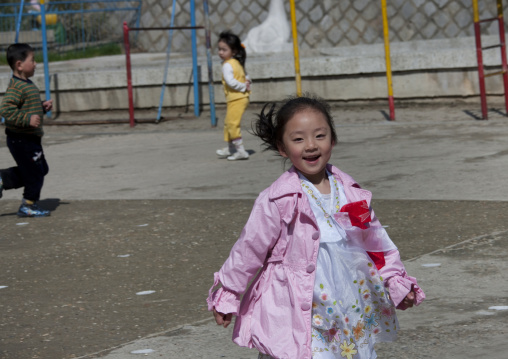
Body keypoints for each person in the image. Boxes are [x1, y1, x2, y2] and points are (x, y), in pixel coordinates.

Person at [207, 95, 425, 358]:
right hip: (296, 305)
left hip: (345, 302)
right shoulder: (278, 198)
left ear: (332, 139)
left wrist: (395, 279)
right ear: (282, 148)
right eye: (298, 139)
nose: (310, 146)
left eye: (319, 136)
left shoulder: (350, 192)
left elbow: (375, 241)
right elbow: (248, 249)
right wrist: (229, 292)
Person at [0, 43, 53, 217]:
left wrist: (41, 107)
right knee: (35, 173)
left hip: (29, 139)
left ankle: (2, 179)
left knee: (41, 169)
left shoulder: (27, 84)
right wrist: (27, 119)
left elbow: (27, 107)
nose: (36, 63)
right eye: (33, 60)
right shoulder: (16, 87)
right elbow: (6, 110)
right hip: (21, 140)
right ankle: (28, 205)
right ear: (20, 65)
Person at [215, 30, 251, 161]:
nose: (220, 52)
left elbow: (231, 82)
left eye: (224, 49)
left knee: (232, 124)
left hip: (237, 98)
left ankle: (241, 151)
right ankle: (231, 148)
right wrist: (247, 83)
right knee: (228, 123)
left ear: (234, 51)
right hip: (238, 98)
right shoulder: (237, 62)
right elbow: (246, 76)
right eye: (219, 49)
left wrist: (243, 86)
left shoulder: (227, 65)